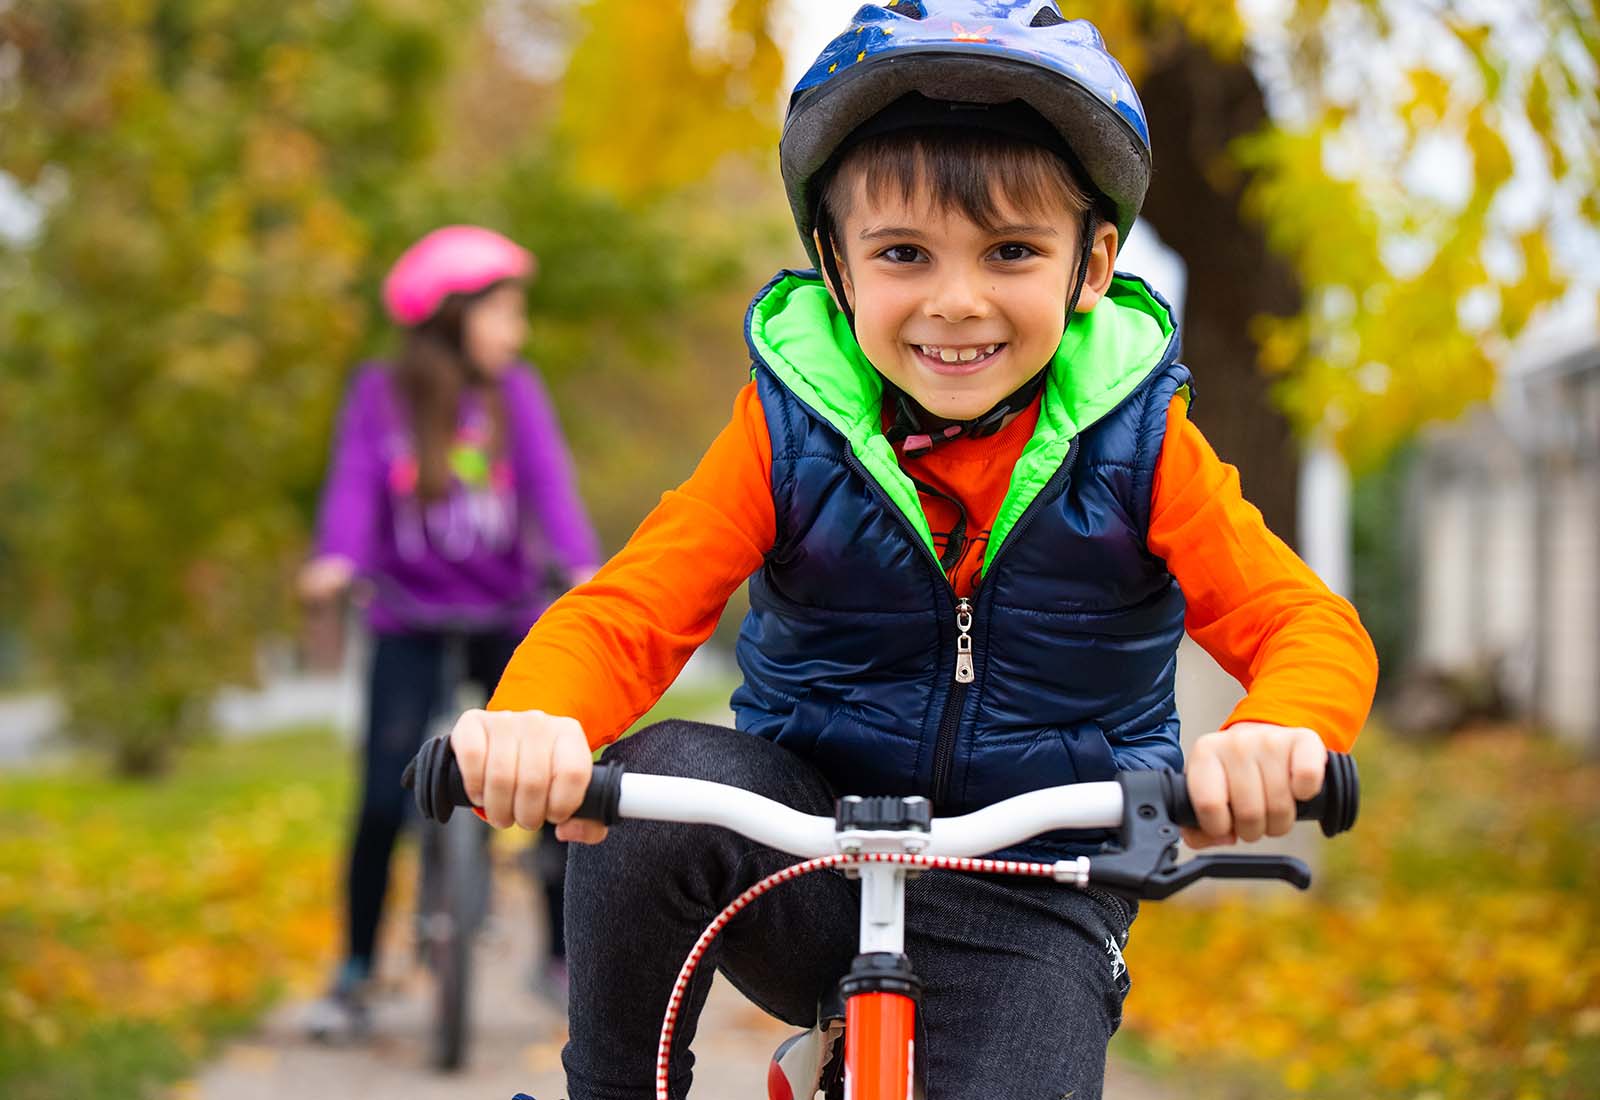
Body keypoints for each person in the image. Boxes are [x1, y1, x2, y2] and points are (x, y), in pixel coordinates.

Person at [445, 4, 1378, 1096]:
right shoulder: (789, 428)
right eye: (902, 253)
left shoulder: (1140, 444)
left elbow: (1306, 624)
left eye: (1012, 251)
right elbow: (630, 607)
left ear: (1091, 267)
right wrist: (534, 719)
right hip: (805, 853)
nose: (956, 300)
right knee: (654, 787)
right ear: (837, 270)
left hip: (1035, 885)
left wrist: (1274, 736)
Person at [301, 225, 600, 1039]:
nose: (518, 331)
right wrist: (335, 558)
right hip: (408, 613)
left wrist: (581, 566)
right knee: (377, 796)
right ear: (453, 316)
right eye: (505, 312)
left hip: (506, 611)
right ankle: (357, 967)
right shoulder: (379, 394)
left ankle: (562, 955)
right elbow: (356, 488)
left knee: (551, 775)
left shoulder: (517, 395)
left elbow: (549, 488)